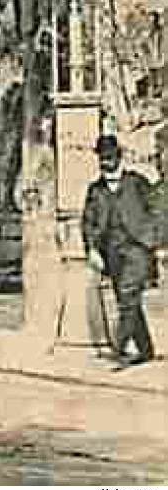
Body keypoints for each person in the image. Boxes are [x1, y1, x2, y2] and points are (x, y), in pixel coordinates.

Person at [82, 135, 159, 366]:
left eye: (110, 157)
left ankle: (118, 347)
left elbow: (158, 210)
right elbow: (87, 223)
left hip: (137, 249)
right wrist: (92, 250)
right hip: (111, 252)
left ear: (119, 157)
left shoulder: (137, 182)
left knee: (127, 294)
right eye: (102, 158)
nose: (106, 162)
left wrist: (152, 238)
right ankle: (145, 350)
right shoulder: (95, 190)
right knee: (127, 299)